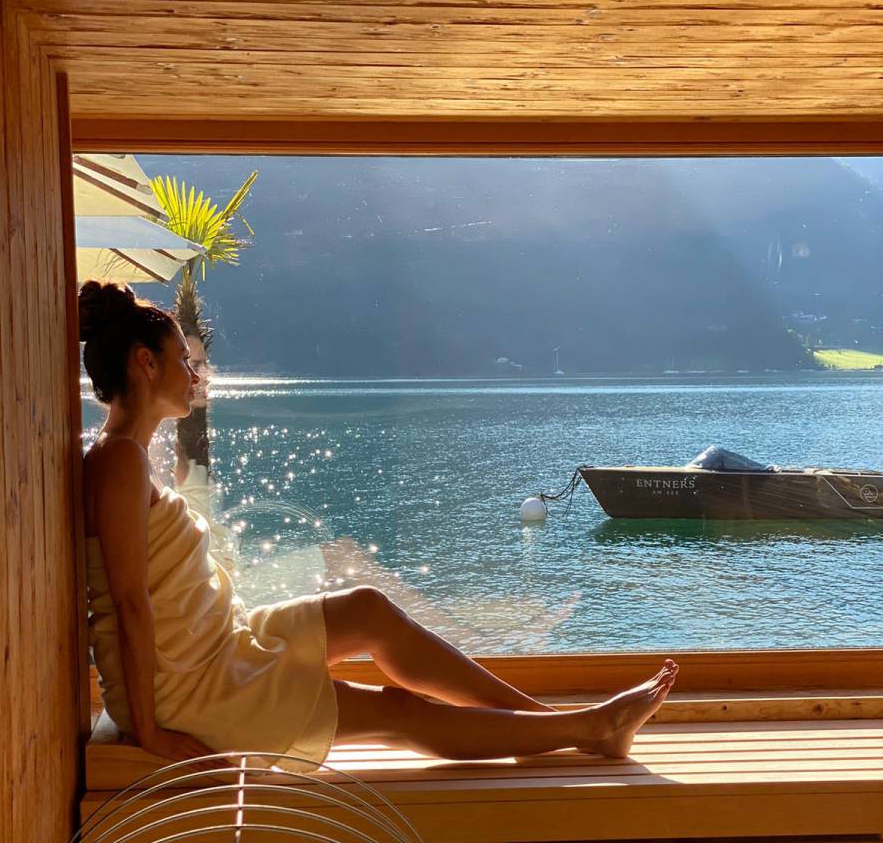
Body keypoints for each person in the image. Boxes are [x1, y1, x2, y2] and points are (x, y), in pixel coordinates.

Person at [81, 281, 678, 769]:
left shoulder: (131, 457)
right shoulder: (119, 461)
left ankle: (548, 726)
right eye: (183, 361)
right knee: (398, 712)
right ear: (144, 362)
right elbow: (129, 604)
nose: (195, 374)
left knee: (367, 609)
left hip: (217, 647)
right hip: (194, 686)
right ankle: (585, 729)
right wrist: (151, 731)